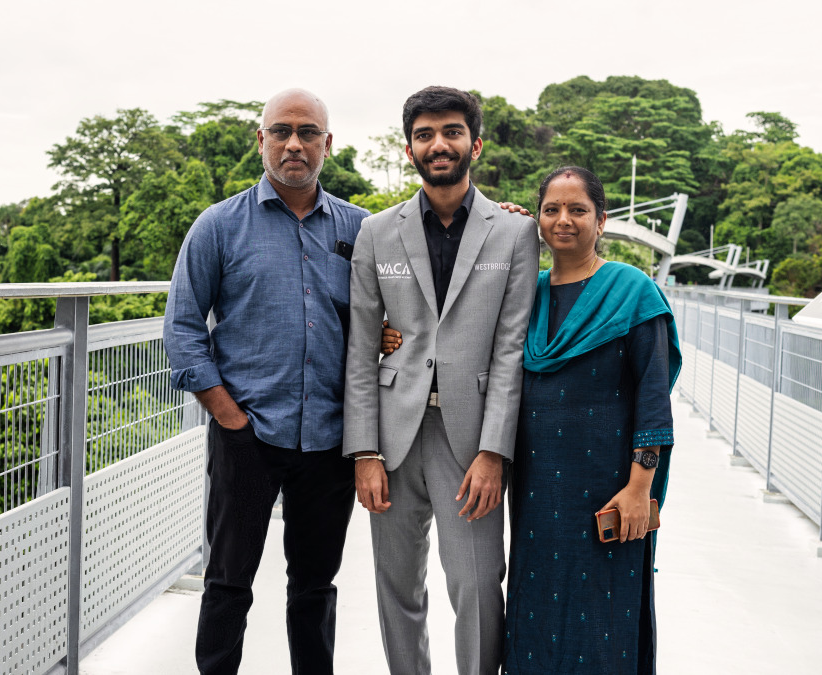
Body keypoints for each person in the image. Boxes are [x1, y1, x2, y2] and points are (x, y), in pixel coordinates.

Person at [384, 166, 681, 674]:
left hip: (608, 488)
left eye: (578, 210)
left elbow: (653, 396)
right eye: (551, 210)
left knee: (603, 614)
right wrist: (391, 335)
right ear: (537, 220)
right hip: (537, 492)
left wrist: (640, 487)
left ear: (602, 220)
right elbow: (459, 336)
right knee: (535, 606)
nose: (564, 220)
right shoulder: (524, 294)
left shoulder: (632, 292)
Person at [163, 88, 367, 675]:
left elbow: (408, 290)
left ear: (328, 144)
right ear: (261, 140)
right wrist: (228, 416)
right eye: (281, 131)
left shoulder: (361, 229)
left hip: (330, 437)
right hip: (246, 435)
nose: (294, 144)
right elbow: (181, 325)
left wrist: (501, 217)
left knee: (314, 586)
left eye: (307, 132)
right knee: (228, 582)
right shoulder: (218, 226)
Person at [344, 86, 540, 675]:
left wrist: (494, 451)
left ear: (474, 143)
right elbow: (359, 349)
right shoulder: (377, 233)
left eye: (452, 131)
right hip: (394, 435)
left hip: (472, 435)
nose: (439, 144)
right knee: (397, 587)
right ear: (409, 149)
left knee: (478, 587)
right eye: (425, 134)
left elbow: (511, 350)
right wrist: (363, 451)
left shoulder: (514, 234)